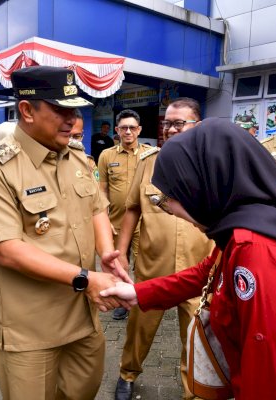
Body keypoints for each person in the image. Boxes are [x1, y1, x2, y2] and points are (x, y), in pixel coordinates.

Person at [102, 117, 276, 399]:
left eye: (171, 198)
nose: (171, 209)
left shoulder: (260, 250)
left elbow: (269, 374)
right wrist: (138, 292)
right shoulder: (246, 225)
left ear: (207, 186)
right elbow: (208, 272)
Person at [0, 66, 131, 400]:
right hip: (31, 332)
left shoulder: (79, 159)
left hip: (83, 320)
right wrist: (86, 278)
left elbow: (97, 208)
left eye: (74, 109)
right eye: (60, 109)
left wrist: (108, 252)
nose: (72, 118)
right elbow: (7, 251)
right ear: (26, 110)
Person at [112, 98, 214, 400]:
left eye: (179, 123)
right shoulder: (148, 162)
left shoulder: (213, 164)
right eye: (167, 123)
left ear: (197, 125)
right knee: (139, 329)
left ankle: (193, 390)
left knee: (196, 337)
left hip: (198, 270)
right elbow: (131, 209)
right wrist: (119, 253)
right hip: (152, 267)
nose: (171, 129)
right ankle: (127, 374)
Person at [98, 109, 152, 321]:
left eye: (132, 128)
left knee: (144, 263)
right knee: (120, 264)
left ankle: (142, 298)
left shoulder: (150, 154)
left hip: (145, 223)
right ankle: (122, 301)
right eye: (123, 128)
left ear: (139, 130)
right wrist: (104, 219)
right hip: (117, 223)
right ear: (117, 130)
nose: (128, 131)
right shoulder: (106, 156)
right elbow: (101, 190)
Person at [70, 108, 98, 179]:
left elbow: (97, 188)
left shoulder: (89, 162)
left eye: (76, 136)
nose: (71, 140)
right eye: (66, 135)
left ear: (82, 136)